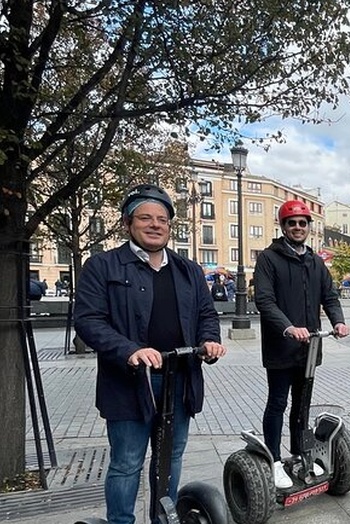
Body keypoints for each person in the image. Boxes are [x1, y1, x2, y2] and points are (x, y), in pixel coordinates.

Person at [74, 184, 226, 524]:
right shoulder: (103, 266)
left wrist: (210, 341)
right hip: (129, 382)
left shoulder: (188, 270)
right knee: (127, 461)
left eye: (162, 219)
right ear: (128, 223)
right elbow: (87, 320)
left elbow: (206, 315)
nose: (155, 224)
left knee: (170, 458)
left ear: (170, 226)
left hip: (180, 379)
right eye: (145, 217)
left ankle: (162, 519)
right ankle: (121, 521)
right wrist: (130, 350)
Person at [253, 199, 350, 488]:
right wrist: (288, 328)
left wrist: (339, 321)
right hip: (282, 347)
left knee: (302, 405)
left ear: (309, 227)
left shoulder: (315, 261)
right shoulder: (269, 259)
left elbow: (329, 296)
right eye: (291, 223)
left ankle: (300, 454)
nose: (298, 227)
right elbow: (264, 300)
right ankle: (274, 460)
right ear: (283, 226)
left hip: (309, 349)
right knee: (278, 403)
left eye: (302, 223)